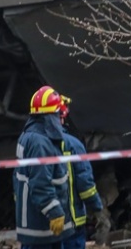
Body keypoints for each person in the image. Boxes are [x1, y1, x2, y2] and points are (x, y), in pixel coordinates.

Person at [14, 86, 75, 248]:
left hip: (35, 225)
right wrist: (54, 212)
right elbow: (40, 183)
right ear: (51, 116)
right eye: (59, 114)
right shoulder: (40, 143)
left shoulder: (29, 136)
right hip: (41, 228)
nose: (62, 120)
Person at [57, 94, 108, 249]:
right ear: (63, 115)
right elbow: (85, 184)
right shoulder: (72, 145)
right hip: (71, 223)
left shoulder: (30, 144)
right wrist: (99, 212)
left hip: (42, 226)